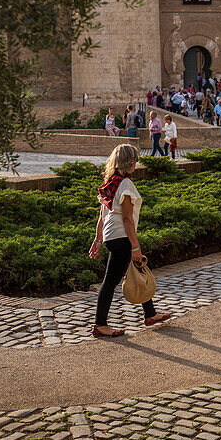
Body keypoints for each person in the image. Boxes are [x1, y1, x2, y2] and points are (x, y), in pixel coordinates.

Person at [88, 144, 172, 337]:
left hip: (111, 236)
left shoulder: (111, 182)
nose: (137, 162)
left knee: (138, 269)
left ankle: (150, 314)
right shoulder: (125, 184)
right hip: (122, 238)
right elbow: (127, 219)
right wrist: (135, 247)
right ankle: (100, 325)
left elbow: (102, 216)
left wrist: (98, 239)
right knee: (110, 282)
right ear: (129, 162)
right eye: (135, 159)